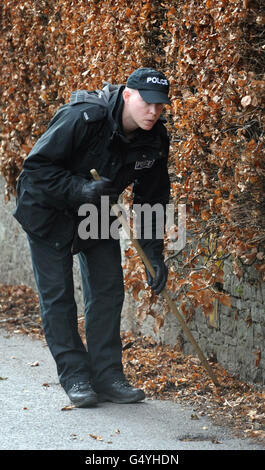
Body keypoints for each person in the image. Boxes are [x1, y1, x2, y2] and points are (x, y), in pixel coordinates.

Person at [14, 68, 171, 407]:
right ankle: (75, 376)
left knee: (108, 289)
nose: (154, 112)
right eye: (147, 103)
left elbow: (152, 199)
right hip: (48, 209)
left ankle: (108, 375)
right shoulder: (84, 117)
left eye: (160, 106)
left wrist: (153, 253)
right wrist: (80, 188)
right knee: (58, 298)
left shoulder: (154, 138)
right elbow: (36, 169)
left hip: (96, 208)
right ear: (128, 96)